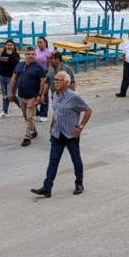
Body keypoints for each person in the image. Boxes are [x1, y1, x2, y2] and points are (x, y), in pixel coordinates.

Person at [30, 71, 92, 199]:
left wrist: (80, 127)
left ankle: (79, 183)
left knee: (76, 160)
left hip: (70, 135)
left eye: (59, 80)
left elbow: (88, 110)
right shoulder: (54, 94)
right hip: (57, 134)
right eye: (55, 80)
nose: (56, 82)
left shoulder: (74, 97)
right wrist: (52, 125)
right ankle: (47, 188)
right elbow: (56, 112)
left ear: (67, 83)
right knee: (53, 162)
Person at [9, 46, 48, 146]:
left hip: (33, 96)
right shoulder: (20, 65)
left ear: (35, 55)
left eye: (32, 54)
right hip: (21, 95)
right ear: (25, 55)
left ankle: (27, 137)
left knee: (30, 117)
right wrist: (10, 92)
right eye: (28, 54)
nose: (30, 56)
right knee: (26, 116)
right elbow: (14, 78)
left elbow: (43, 81)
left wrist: (40, 95)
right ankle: (33, 131)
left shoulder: (39, 67)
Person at [0, 39, 20, 118]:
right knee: (5, 95)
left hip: (11, 78)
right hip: (2, 77)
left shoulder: (15, 55)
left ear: (13, 46)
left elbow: (14, 64)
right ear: (5, 46)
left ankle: (22, 106)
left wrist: (10, 54)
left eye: (11, 45)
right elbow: (0, 65)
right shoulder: (3, 54)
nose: (9, 46)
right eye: (8, 45)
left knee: (11, 95)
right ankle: (4, 112)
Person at [33, 37, 52, 120]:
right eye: (38, 42)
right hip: (35, 75)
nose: (39, 44)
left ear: (45, 43)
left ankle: (43, 114)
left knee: (44, 94)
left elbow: (50, 65)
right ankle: (36, 112)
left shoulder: (48, 52)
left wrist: (48, 75)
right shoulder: (35, 52)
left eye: (41, 42)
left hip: (44, 75)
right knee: (34, 94)